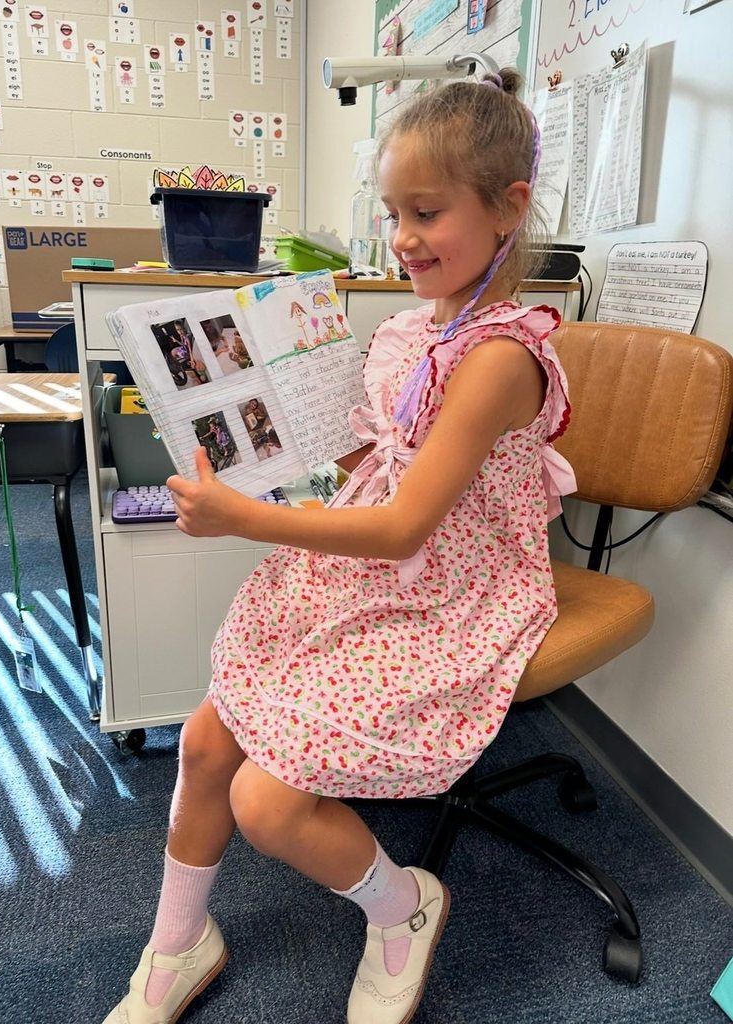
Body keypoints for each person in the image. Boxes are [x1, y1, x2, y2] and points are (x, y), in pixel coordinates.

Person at [102, 68, 576, 1024]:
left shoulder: (499, 358)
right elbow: (383, 457)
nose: (401, 239)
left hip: (452, 588)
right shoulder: (411, 327)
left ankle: (404, 908)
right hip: (365, 567)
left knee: (267, 807)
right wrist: (295, 403)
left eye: (427, 213)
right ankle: (177, 941)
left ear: (507, 208)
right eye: (393, 213)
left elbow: (408, 525)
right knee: (202, 746)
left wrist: (246, 517)